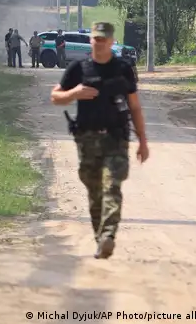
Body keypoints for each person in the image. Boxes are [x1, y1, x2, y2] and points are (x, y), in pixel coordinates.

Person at [50, 22, 149, 260]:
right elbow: (55, 96)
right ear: (91, 40)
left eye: (104, 39)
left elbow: (135, 106)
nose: (100, 42)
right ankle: (101, 239)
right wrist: (74, 93)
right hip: (87, 140)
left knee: (112, 186)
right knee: (95, 193)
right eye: (96, 38)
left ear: (112, 41)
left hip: (116, 138)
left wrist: (143, 141)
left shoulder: (123, 69)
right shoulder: (79, 68)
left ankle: (108, 235)